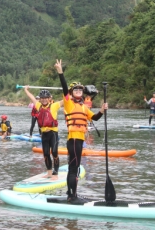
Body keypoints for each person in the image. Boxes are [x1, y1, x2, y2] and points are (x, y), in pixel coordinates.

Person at [54, 59, 107, 203]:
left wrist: (102, 110)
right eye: (75, 90)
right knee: (73, 167)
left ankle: (71, 193)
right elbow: (65, 88)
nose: (78, 91)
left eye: (80, 90)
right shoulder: (68, 103)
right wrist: (60, 72)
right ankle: (72, 196)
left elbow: (95, 118)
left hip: (80, 140)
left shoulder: (84, 107)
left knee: (75, 167)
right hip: (74, 140)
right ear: (72, 93)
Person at [24, 86, 62, 178]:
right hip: (44, 134)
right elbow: (32, 98)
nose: (44, 100)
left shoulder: (54, 105)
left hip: (53, 133)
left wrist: (68, 91)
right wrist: (26, 90)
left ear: (49, 98)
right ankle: (49, 172)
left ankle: (55, 173)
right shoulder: (38, 106)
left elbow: (65, 99)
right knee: (45, 153)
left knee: (54, 152)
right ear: (40, 99)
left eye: (46, 98)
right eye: (42, 98)